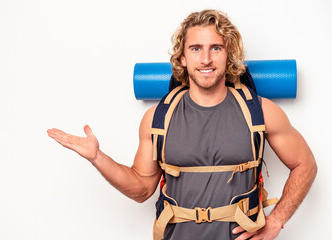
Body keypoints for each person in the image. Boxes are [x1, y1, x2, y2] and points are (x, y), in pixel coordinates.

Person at [47, 9, 317, 240]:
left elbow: (305, 164)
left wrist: (276, 221)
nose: (206, 59)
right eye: (196, 48)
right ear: (182, 58)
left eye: (216, 48)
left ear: (228, 55)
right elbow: (142, 189)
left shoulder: (260, 111)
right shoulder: (157, 118)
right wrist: (97, 157)